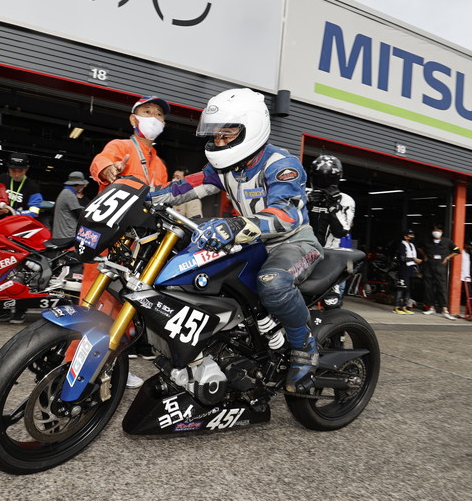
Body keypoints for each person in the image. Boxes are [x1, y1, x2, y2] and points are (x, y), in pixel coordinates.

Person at [149, 88, 323, 393]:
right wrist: (149, 197)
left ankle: (304, 347)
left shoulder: (280, 164)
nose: (219, 142)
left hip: (293, 243)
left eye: (227, 134)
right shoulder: (224, 166)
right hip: (251, 241)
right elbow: (187, 186)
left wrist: (236, 224)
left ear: (252, 129)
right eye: (215, 135)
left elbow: (287, 215)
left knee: (272, 283)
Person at [88, 95, 171, 388]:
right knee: (95, 308)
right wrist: (108, 169)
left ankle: (111, 366)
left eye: (159, 114)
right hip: (108, 239)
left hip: (138, 245)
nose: (154, 118)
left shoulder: (159, 164)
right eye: (147, 111)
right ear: (134, 119)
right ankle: (76, 367)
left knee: (125, 308)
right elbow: (101, 161)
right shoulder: (121, 146)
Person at [306, 154, 355, 309]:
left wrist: (333, 206)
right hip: (302, 254)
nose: (323, 183)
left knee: (332, 303)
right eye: (319, 178)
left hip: (329, 257)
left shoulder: (345, 200)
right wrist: (306, 202)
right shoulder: (303, 194)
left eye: (328, 179)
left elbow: (341, 231)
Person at [419, 223, 460, 320]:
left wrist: (448, 257)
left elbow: (457, 251)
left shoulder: (447, 241)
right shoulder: (427, 240)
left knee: (441, 288)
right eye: (434, 230)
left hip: (440, 267)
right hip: (429, 266)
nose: (436, 232)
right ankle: (431, 307)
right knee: (428, 287)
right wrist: (424, 255)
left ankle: (445, 310)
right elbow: (419, 247)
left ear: (442, 232)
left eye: (438, 230)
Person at [0, 152, 42, 217]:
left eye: (21, 171)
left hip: (17, 222)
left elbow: (34, 212)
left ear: (27, 168)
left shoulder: (33, 187)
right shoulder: (2, 178)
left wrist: (11, 212)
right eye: (13, 170)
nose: (17, 175)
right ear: (8, 168)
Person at [52, 170, 89, 239]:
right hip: (67, 235)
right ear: (78, 184)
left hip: (60, 235)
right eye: (82, 185)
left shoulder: (64, 192)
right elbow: (79, 214)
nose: (84, 186)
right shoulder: (69, 194)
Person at [393, 230, 421, 314]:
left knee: (408, 289)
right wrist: (414, 259)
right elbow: (402, 258)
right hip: (403, 269)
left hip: (411, 269)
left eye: (413, 235)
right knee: (401, 288)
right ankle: (397, 307)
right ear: (405, 237)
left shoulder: (412, 245)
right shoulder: (402, 245)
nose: (412, 236)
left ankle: (405, 306)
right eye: (410, 235)